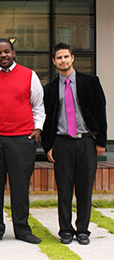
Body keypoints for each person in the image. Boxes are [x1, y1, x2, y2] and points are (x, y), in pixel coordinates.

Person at [0, 38, 45, 245]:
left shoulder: (29, 75)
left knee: (20, 186)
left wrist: (38, 127)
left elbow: (38, 105)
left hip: (21, 139)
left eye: (7, 51)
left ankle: (22, 230)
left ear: (13, 53)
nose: (3, 55)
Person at [41, 43, 107, 245]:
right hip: (62, 143)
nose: (63, 61)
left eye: (66, 57)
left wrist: (101, 141)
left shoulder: (90, 82)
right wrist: (48, 146)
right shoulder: (50, 88)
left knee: (85, 188)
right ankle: (66, 230)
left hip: (86, 141)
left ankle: (83, 230)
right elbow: (47, 119)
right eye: (59, 58)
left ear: (73, 58)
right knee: (64, 189)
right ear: (54, 61)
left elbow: (100, 111)